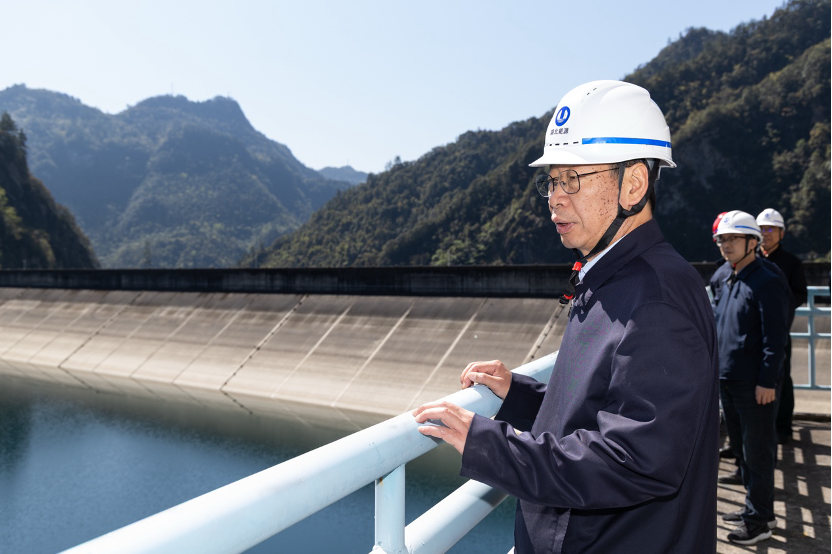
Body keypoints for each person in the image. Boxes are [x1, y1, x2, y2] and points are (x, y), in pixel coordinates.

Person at [413, 80, 719, 553]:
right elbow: (600, 409)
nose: (555, 197)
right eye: (552, 181)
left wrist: (490, 444)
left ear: (633, 184)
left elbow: (636, 458)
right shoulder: (612, 278)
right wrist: (519, 394)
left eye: (573, 178)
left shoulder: (657, 299)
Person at [713, 210, 789, 545]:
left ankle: (759, 522)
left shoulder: (766, 281)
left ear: (752, 242)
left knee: (758, 452)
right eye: (722, 240)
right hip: (727, 378)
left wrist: (768, 381)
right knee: (742, 449)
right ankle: (756, 509)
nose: (726, 245)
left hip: (753, 383)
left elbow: (776, 338)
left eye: (733, 239)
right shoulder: (728, 277)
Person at [756, 208, 808, 444]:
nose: (766, 233)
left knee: (782, 379)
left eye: (771, 229)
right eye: (762, 229)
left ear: (781, 233)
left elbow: (800, 294)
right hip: (753, 332)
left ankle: (783, 428)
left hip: (779, 332)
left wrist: (778, 308)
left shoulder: (791, 263)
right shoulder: (751, 259)